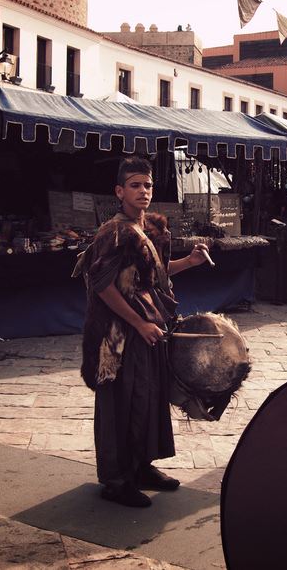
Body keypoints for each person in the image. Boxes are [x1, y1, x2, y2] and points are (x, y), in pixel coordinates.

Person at [75, 157, 210, 508]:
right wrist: (138, 323)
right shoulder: (113, 231)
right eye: (135, 185)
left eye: (147, 185)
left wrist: (189, 263)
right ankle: (116, 480)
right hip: (118, 338)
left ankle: (141, 466)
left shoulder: (147, 229)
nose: (143, 191)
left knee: (147, 398)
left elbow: (154, 274)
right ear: (120, 191)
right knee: (120, 403)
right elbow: (102, 285)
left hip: (148, 330)